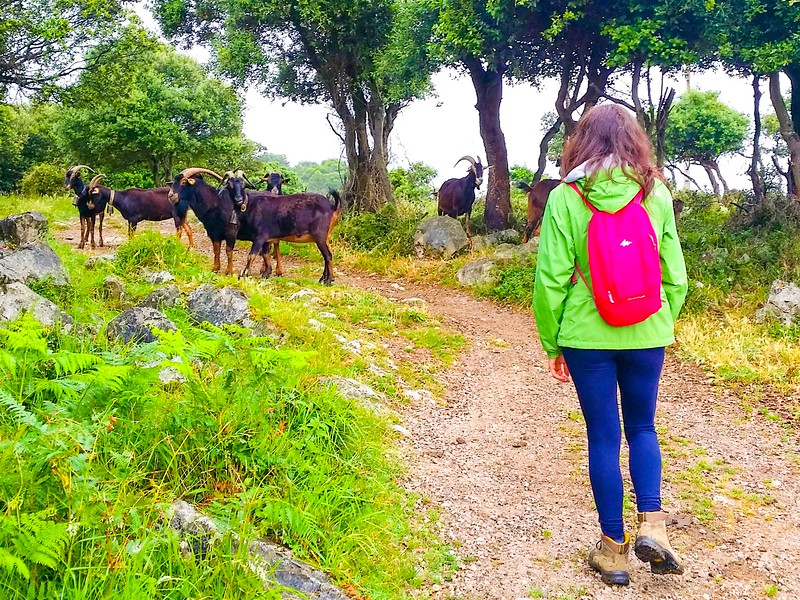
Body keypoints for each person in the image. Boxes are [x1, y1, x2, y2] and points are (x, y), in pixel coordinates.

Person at [532, 104, 688, 586]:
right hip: (648, 331)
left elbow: (550, 280)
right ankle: (655, 529)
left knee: (603, 435)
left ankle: (613, 552)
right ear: (634, 140)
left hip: (585, 335)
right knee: (642, 426)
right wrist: (661, 322)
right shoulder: (654, 191)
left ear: (582, 140)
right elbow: (675, 275)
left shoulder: (566, 197)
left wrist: (553, 343)